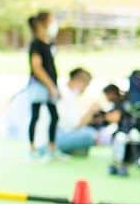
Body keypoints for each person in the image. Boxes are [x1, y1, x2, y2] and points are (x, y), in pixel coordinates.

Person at [25, 10, 63, 161]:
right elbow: (37, 67)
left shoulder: (49, 43)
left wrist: (54, 85)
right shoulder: (36, 44)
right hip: (40, 86)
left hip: (51, 85)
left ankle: (51, 148)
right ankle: (32, 148)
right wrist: (50, 85)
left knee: (54, 116)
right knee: (35, 116)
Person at [53, 67, 113, 155]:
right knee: (91, 134)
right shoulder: (65, 95)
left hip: (61, 133)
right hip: (56, 137)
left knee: (87, 135)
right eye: (87, 85)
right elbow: (75, 126)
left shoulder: (69, 94)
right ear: (79, 80)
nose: (86, 89)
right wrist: (91, 111)